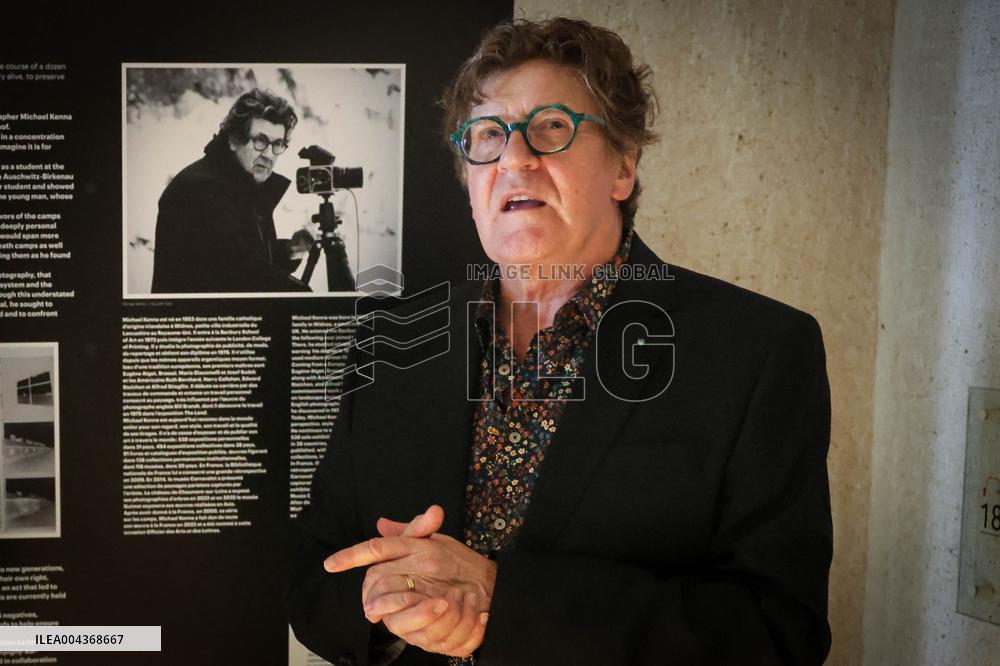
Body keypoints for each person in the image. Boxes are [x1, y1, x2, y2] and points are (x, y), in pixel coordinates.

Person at [288, 17, 832, 666]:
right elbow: (314, 572)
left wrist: (502, 603)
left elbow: (778, 634)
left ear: (623, 166)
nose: (514, 159)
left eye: (552, 127)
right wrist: (380, 605)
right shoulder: (396, 341)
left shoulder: (756, 352)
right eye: (488, 135)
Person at [151, 88, 311, 293]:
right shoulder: (201, 189)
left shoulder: (241, 184)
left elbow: (243, 254)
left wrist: (290, 250)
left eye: (277, 144)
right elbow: (242, 274)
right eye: (260, 141)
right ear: (234, 139)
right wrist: (308, 300)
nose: (269, 155)